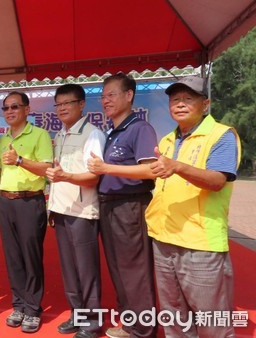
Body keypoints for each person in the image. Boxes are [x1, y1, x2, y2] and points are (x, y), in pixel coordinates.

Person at [145, 76, 240, 337]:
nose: (180, 104)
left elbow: (218, 180)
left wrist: (177, 166)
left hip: (200, 241)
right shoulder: (166, 140)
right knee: (174, 316)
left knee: (212, 322)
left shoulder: (221, 135)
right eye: (175, 99)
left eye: (189, 99)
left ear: (205, 104)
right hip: (164, 238)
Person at [87, 73, 158, 338]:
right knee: (118, 268)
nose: (106, 100)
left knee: (134, 270)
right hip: (109, 206)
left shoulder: (139, 128)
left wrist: (106, 167)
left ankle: (143, 330)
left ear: (129, 95)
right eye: (103, 96)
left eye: (112, 94)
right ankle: (131, 325)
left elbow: (150, 170)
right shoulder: (111, 132)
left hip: (130, 206)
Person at [46, 84, 106, 338]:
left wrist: (66, 176)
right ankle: (77, 314)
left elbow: (95, 176)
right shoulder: (60, 135)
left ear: (82, 104)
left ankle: (92, 321)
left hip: (83, 212)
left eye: (67, 103)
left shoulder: (93, 135)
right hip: (61, 210)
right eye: (58, 105)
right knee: (69, 269)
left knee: (86, 269)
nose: (61, 109)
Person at [0, 91, 53, 333]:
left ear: (27, 110)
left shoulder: (40, 135)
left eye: (15, 107)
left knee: (31, 257)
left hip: (31, 202)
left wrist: (20, 160)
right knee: (13, 258)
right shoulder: (2, 139)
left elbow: (47, 169)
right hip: (7, 202)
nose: (10, 111)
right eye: (6, 108)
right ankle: (18, 304)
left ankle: (32, 308)